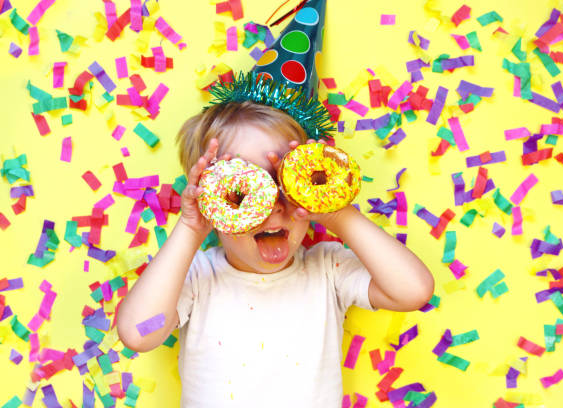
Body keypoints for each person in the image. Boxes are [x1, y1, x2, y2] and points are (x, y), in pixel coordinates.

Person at [116, 99, 435, 407]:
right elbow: (138, 333)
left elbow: (413, 291)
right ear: (210, 200)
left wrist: (338, 214)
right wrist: (189, 228)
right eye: (241, 190)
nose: (272, 203)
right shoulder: (199, 277)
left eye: (285, 182)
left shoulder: (327, 267)